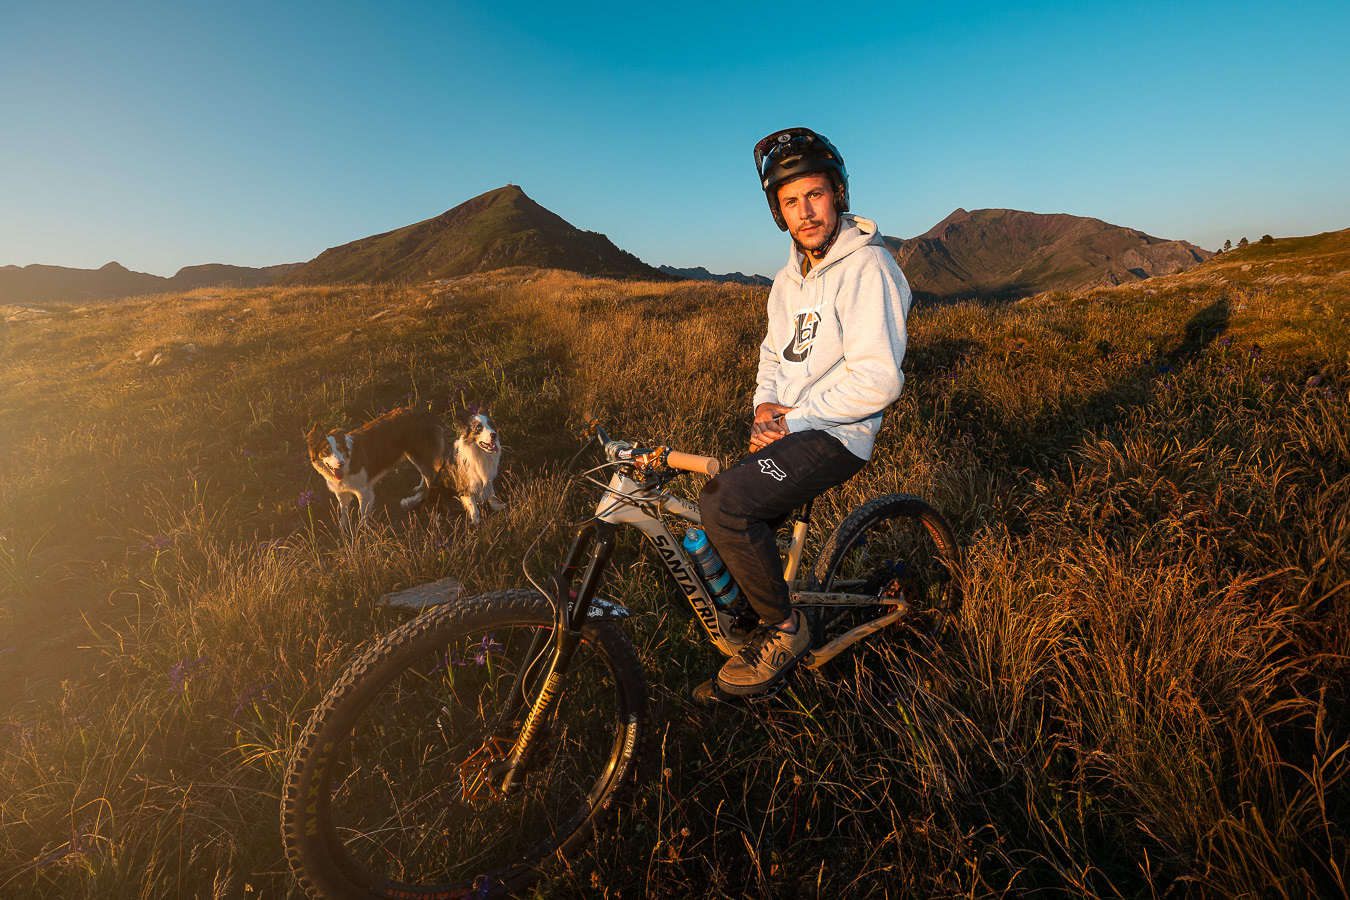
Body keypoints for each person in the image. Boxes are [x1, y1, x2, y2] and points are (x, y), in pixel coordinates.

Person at [698, 127, 913, 698]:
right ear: (779, 213)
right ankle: (763, 612)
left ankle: (785, 631)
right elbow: (773, 354)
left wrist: (792, 419)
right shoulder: (786, 280)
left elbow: (879, 380)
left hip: (839, 433)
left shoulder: (868, 268)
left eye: (814, 194)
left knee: (724, 504)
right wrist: (764, 406)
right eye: (791, 201)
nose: (806, 212)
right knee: (726, 524)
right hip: (793, 424)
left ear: (837, 193)